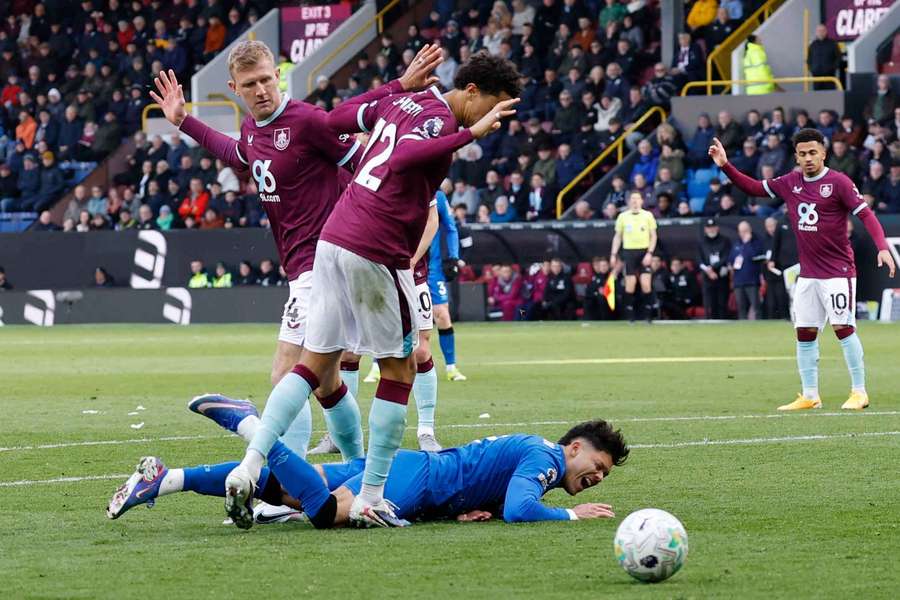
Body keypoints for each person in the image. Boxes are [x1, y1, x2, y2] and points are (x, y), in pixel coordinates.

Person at [222, 50, 521, 529]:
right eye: (495, 106)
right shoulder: (442, 119)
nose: (496, 117)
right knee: (400, 370)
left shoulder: (405, 100)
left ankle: (250, 464)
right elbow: (402, 157)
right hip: (375, 245)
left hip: (334, 238)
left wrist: (394, 86)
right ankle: (371, 497)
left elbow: (340, 118)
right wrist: (470, 133)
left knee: (313, 364)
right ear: (472, 92)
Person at [152, 42, 445, 522]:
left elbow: (365, 158)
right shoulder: (253, 127)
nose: (262, 90)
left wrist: (398, 94)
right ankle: (354, 470)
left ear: (278, 76)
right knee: (328, 382)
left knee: (287, 372)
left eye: (267, 79)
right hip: (305, 269)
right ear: (235, 90)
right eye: (251, 85)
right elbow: (238, 152)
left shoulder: (307, 121)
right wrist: (184, 120)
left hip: (323, 264)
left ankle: (282, 494)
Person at [108, 415, 629, 528]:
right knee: (328, 514)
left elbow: (500, 497)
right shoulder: (545, 460)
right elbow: (520, 508)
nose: (597, 477)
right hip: (417, 479)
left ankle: (166, 478)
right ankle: (252, 426)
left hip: (415, 472)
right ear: (575, 447)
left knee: (288, 491)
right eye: (598, 466)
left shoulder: (534, 455)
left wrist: (478, 509)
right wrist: (571, 517)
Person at [709, 130, 896, 410]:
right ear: (796, 156)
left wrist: (882, 246)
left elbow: (866, 215)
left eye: (813, 152)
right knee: (804, 332)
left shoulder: (839, 182)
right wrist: (725, 165)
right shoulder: (790, 182)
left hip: (838, 272)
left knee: (843, 328)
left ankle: (859, 392)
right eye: (802, 153)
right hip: (807, 274)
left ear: (823, 153)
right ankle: (810, 395)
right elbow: (753, 188)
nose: (808, 158)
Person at [610, 191, 658, 322]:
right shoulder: (623, 217)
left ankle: (649, 315)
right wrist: (613, 254)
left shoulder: (648, 215)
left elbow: (653, 235)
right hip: (629, 252)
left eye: (637, 199)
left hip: (644, 252)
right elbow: (618, 237)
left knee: (645, 283)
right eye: (633, 199)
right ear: (628, 201)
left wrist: (650, 253)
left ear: (642, 201)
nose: (635, 201)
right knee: (630, 284)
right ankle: (630, 316)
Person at [729, 221, 765, 320]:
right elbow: (731, 259)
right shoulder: (736, 244)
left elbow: (754, 255)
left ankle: (759, 327)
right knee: (741, 307)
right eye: (741, 231)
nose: (743, 234)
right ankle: (742, 327)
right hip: (738, 281)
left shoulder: (756, 242)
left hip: (752, 280)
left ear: (750, 230)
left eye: (745, 231)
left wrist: (748, 243)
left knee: (756, 307)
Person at [697, 217, 732, 319]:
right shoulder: (702, 242)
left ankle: (723, 323)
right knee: (709, 303)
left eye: (713, 227)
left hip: (721, 274)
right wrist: (708, 270)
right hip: (707, 276)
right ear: (705, 229)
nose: (711, 230)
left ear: (717, 228)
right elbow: (699, 259)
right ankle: (709, 322)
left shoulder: (725, 240)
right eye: (709, 228)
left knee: (722, 302)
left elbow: (726, 256)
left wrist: (714, 267)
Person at [807, 24, 840, 91]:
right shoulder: (813, 45)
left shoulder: (833, 44)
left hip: (829, 77)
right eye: (819, 31)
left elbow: (838, 58)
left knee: (830, 96)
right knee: (817, 97)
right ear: (816, 32)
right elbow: (809, 59)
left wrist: (832, 68)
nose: (821, 33)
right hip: (816, 77)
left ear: (826, 32)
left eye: (823, 31)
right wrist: (812, 69)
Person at [583, 256, 615, 320]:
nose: (603, 268)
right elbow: (589, 290)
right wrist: (597, 293)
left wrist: (606, 291)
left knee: (601, 298)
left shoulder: (612, 276)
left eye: (605, 265)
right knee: (588, 301)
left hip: (610, 300)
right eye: (601, 266)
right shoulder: (595, 277)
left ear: (608, 266)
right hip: (596, 299)